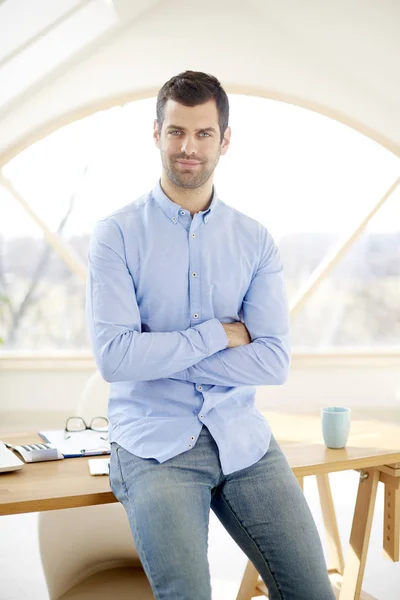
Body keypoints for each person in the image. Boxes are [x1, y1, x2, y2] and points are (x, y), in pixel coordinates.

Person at [86, 70, 335, 600]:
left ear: (224, 140)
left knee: (314, 593)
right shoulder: (117, 235)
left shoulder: (254, 239)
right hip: (154, 445)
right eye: (176, 131)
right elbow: (114, 358)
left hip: (242, 438)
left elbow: (272, 363)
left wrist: (155, 350)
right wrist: (217, 336)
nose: (188, 147)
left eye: (203, 134)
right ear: (155, 133)